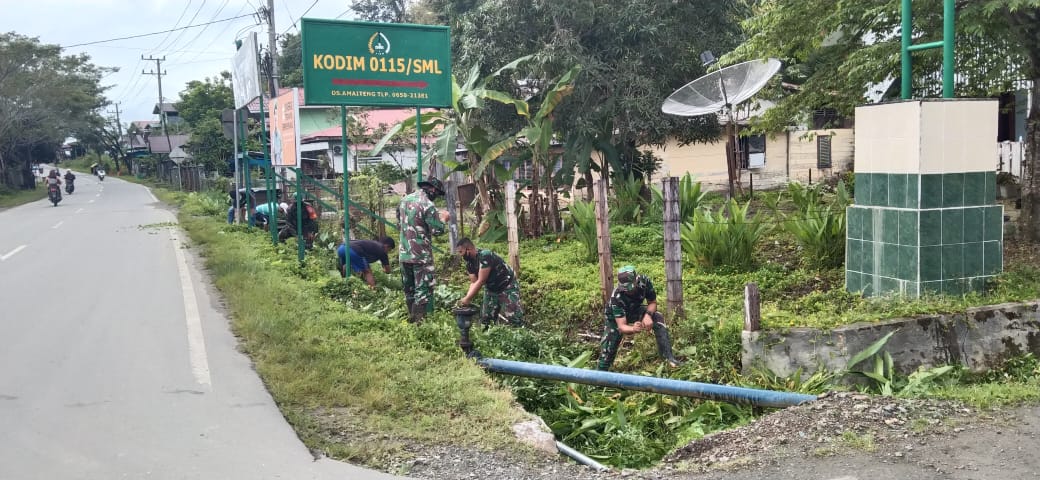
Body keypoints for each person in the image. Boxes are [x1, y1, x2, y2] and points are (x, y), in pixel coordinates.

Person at [597, 265, 682, 371]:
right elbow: (622, 326)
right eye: (625, 289)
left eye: (630, 288)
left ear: (636, 280)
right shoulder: (617, 297)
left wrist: (648, 315)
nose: (628, 291)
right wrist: (633, 328)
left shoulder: (644, 281)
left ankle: (668, 359)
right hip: (615, 318)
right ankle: (600, 376)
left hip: (635, 309)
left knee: (658, 317)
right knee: (609, 348)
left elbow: (653, 302)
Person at [397, 177, 450, 324]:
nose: (436, 197)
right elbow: (438, 231)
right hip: (421, 256)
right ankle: (418, 325)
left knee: (409, 289)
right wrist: (444, 219)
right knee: (422, 290)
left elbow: (399, 222)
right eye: (437, 194)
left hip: (404, 253)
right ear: (432, 189)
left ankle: (411, 319)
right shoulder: (428, 205)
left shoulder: (404, 201)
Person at [456, 238, 524, 328]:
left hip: (507, 286)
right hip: (491, 288)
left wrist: (467, 299)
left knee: (515, 319)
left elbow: (481, 281)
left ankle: (521, 337)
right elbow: (474, 282)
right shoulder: (469, 264)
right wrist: (466, 298)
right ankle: (488, 338)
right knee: (486, 319)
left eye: (461, 252)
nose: (460, 255)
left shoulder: (485, 256)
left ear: (468, 249)